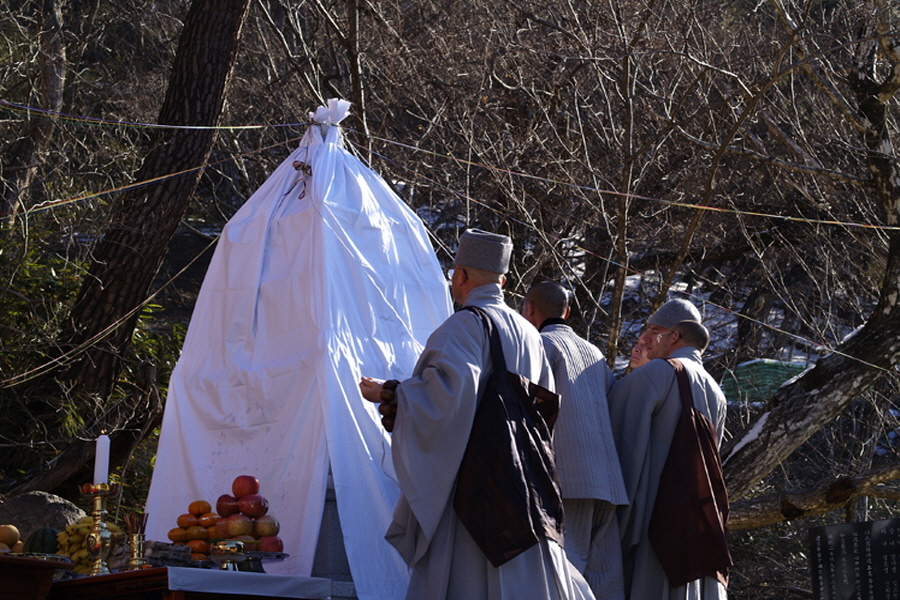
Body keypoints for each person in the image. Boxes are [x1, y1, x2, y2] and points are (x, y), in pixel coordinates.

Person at [359, 229, 595, 600]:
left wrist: (391, 394)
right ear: (503, 280)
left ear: (460, 276)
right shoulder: (530, 332)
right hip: (528, 484)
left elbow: (443, 404)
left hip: (478, 490)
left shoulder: (466, 324)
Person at [607, 299, 728, 600]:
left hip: (651, 519)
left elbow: (619, 443)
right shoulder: (718, 393)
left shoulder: (660, 372)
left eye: (656, 330)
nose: (648, 338)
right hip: (691, 527)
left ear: (674, 337)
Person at [522, 281, 628, 600]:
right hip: (608, 480)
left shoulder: (540, 345)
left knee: (567, 572)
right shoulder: (594, 353)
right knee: (603, 576)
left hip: (567, 476)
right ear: (566, 312)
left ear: (528, 308)